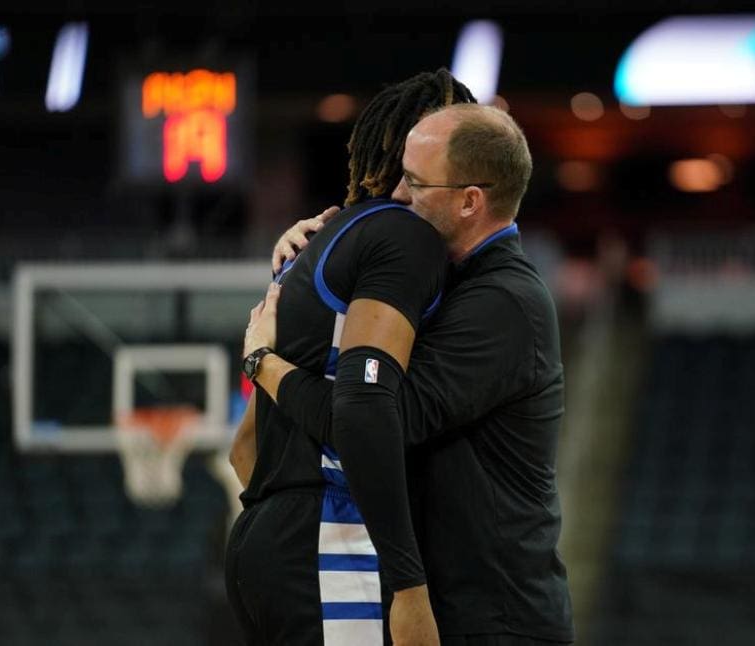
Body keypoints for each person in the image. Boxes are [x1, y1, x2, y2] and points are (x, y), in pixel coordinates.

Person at [247, 103, 575, 645]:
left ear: (471, 201)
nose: (398, 195)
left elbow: (372, 419)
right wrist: (310, 257)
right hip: (462, 611)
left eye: (417, 183)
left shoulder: (505, 304)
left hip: (500, 620)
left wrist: (265, 364)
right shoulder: (451, 281)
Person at [227, 69, 477, 646]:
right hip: (330, 539)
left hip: (269, 534)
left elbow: (244, 451)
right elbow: (362, 412)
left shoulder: (320, 241)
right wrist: (410, 588)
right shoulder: (403, 238)